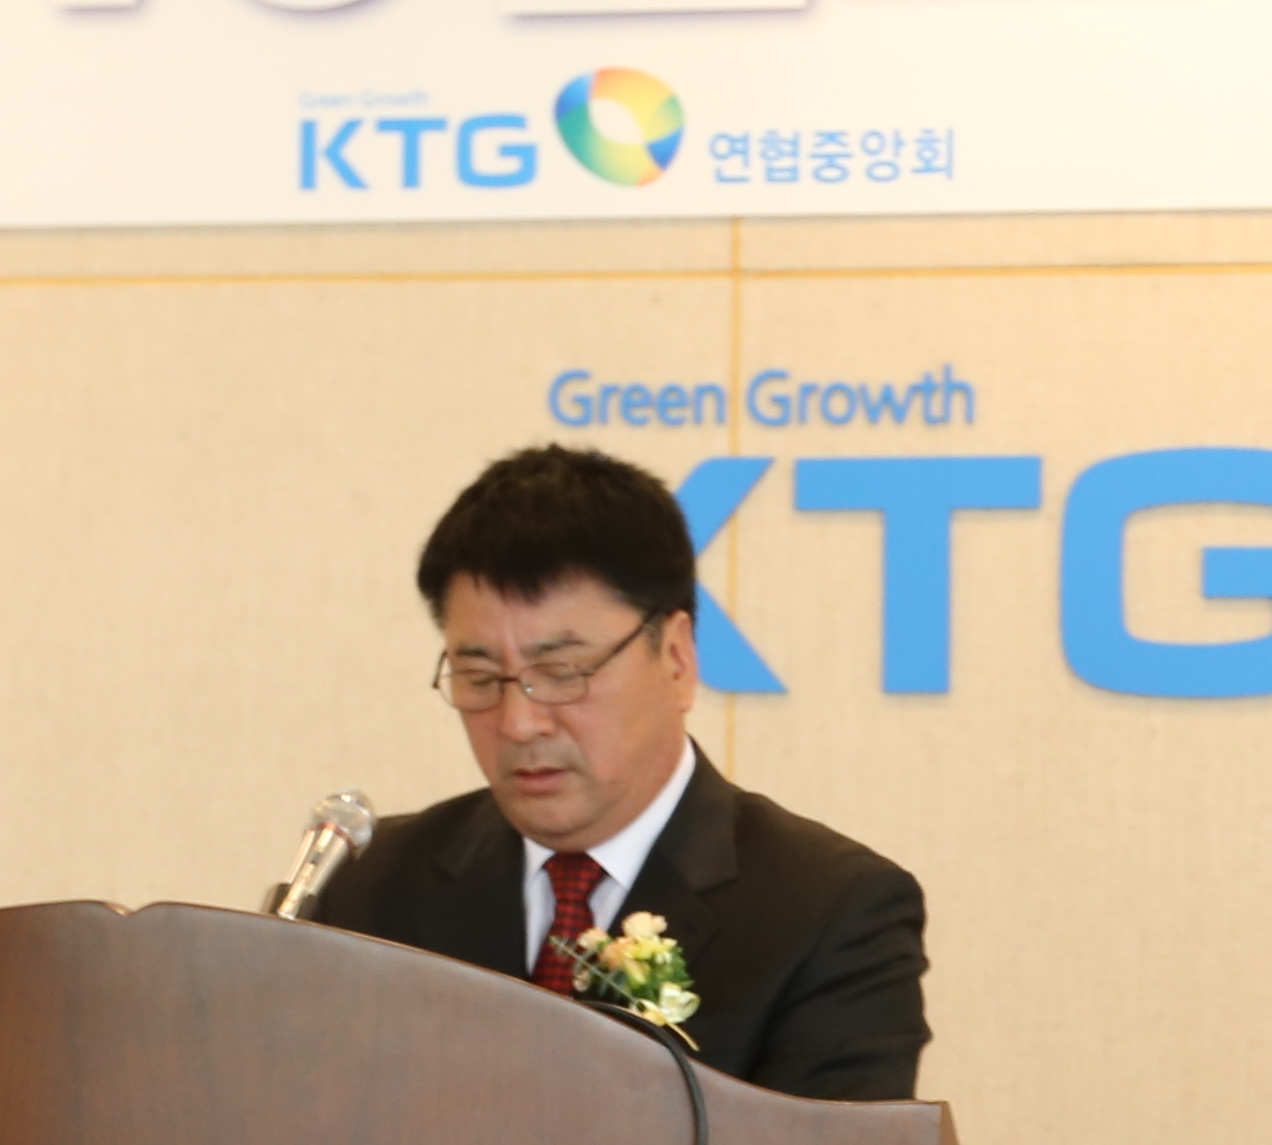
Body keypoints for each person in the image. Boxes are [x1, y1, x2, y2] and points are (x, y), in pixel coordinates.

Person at [299, 444, 929, 1102]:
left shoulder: (828, 912)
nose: (519, 722)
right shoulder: (370, 891)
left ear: (677, 658)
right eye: (480, 677)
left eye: (562, 672)